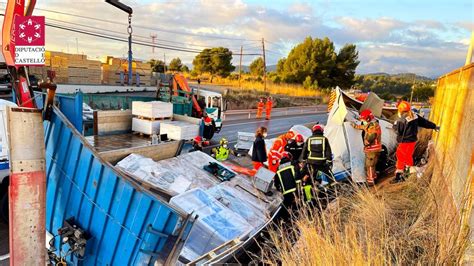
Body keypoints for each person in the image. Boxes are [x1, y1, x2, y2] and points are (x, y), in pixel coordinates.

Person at [391, 101, 439, 183]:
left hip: (404, 141)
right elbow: (424, 122)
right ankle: (408, 174)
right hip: (412, 141)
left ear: (400, 110)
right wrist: (434, 126)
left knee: (401, 157)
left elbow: (398, 131)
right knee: (408, 156)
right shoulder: (415, 115)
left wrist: (395, 125)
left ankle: (399, 176)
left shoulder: (402, 119)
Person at [351, 109, 382, 186]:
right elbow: (364, 127)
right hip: (375, 149)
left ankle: (371, 181)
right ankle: (374, 177)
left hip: (372, 149)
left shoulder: (373, 126)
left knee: (369, 165)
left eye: (363, 119)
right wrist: (354, 126)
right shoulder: (372, 124)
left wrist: (366, 143)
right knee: (373, 164)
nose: (362, 121)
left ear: (368, 118)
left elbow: (371, 136)